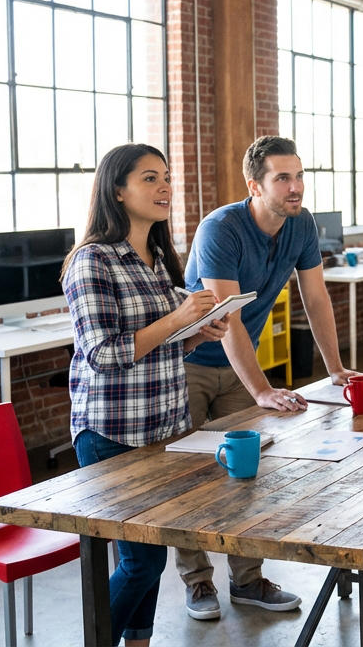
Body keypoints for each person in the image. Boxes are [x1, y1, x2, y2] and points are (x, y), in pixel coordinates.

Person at [174, 135, 356, 620]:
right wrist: (261, 389)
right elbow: (227, 317)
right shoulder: (222, 230)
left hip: (238, 365)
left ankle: (249, 581)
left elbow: (316, 298)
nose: (296, 187)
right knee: (191, 480)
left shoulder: (300, 226)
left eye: (299, 176)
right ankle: (197, 585)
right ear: (254, 185)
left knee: (246, 478)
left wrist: (335, 369)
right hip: (188, 365)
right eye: (283, 178)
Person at [62, 143, 229, 646]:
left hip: (162, 427)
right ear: (118, 190)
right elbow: (104, 355)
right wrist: (178, 318)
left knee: (149, 557)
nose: (164, 188)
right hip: (111, 432)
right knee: (142, 559)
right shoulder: (92, 261)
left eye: (167, 178)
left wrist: (196, 334)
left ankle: (137, 642)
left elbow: (159, 351)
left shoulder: (155, 258)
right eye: (150, 178)